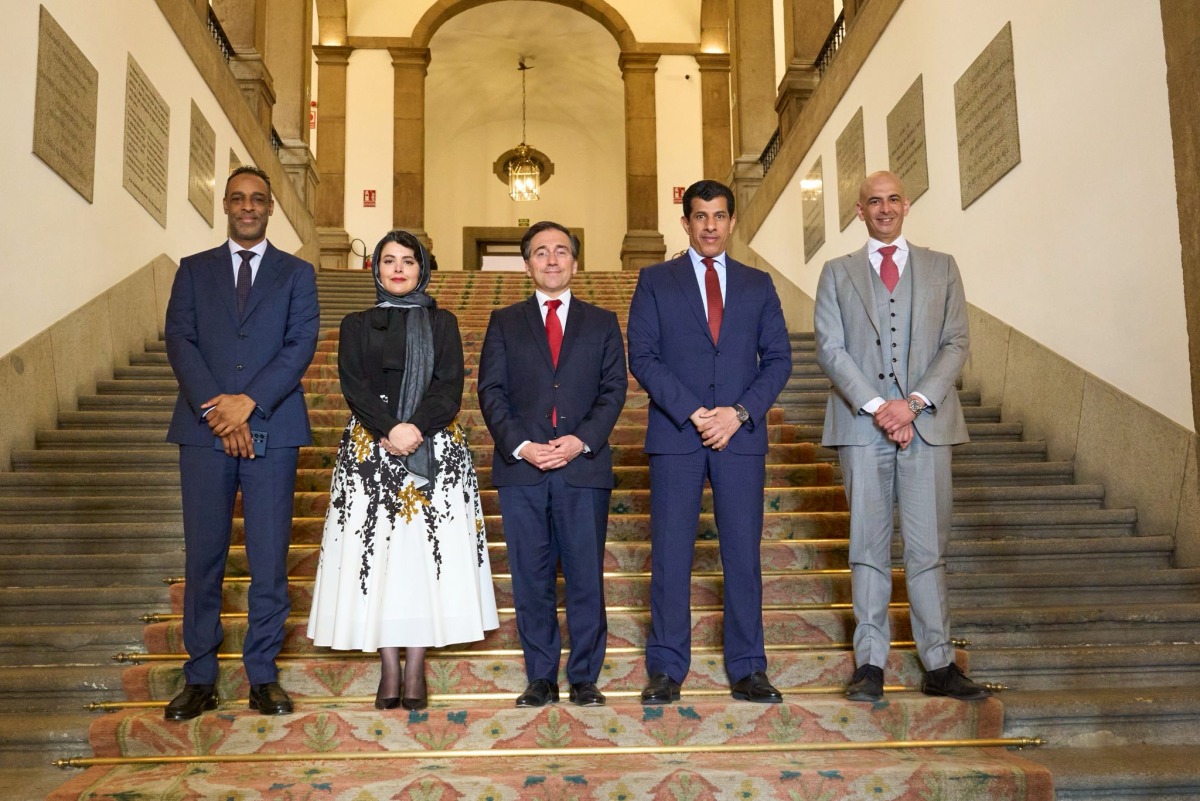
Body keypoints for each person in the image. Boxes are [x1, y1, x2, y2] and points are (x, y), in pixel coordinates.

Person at [814, 170, 990, 702]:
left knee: (928, 547)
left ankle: (938, 663)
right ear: (859, 211)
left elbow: (956, 342)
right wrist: (879, 407)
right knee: (866, 547)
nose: (884, 208)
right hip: (861, 427)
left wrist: (911, 405)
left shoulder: (942, 267)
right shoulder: (836, 272)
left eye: (893, 200)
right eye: (873, 202)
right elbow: (830, 347)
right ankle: (869, 663)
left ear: (906, 206)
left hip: (927, 426)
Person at [306, 230, 499, 710]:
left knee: (420, 561)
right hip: (370, 457)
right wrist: (390, 429)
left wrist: (415, 429)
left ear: (422, 269)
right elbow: (354, 386)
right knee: (383, 561)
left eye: (407, 261)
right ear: (375, 269)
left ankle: (415, 665)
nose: (397, 269)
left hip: (434, 453)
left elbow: (448, 386)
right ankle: (389, 664)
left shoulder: (443, 323)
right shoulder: (354, 324)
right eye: (388, 260)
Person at [626, 180, 792, 705]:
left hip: (740, 438)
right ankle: (666, 668)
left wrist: (738, 413)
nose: (711, 225)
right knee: (671, 553)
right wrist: (696, 412)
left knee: (742, 554)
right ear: (686, 223)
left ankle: (748, 667)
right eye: (700, 216)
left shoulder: (758, 284)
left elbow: (780, 359)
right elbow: (643, 356)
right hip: (677, 435)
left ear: (732, 221)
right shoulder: (655, 280)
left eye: (720, 215)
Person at [164, 165, 320, 720]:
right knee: (204, 556)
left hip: (272, 431)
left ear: (271, 207)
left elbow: (301, 343)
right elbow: (179, 339)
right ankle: (200, 676)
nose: (248, 206)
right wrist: (217, 409)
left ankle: (262, 675)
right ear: (225, 206)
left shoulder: (297, 273)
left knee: (269, 558)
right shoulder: (193, 270)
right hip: (203, 432)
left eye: (258, 199)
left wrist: (248, 404)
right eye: (238, 198)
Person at [477, 221, 627, 708]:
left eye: (561, 251)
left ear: (575, 262)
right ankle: (540, 675)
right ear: (526, 265)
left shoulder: (603, 322)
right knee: (530, 575)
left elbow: (613, 391)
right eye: (541, 252)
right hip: (523, 469)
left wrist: (580, 441)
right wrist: (522, 446)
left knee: (585, 574)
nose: (552, 259)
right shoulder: (503, 321)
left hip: (582, 467)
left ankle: (584, 676)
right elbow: (491, 392)